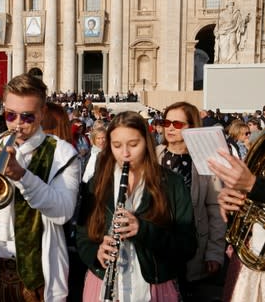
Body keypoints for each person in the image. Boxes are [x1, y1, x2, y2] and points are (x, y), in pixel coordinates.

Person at [0, 73, 81, 301]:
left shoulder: (62, 153)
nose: (17, 124)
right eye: (10, 115)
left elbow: (63, 212)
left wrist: (22, 175)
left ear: (42, 114)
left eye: (27, 117)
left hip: (36, 272)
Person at [76, 111, 197, 301]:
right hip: (102, 284)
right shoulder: (97, 184)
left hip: (154, 288)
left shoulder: (172, 184)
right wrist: (96, 252)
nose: (125, 153)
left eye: (133, 145)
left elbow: (188, 245)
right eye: (117, 146)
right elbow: (83, 237)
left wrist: (143, 230)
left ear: (147, 143)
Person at [156, 101, 226, 301]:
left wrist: (215, 252)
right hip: (158, 246)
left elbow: (216, 208)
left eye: (178, 124)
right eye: (166, 122)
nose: (170, 127)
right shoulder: (153, 155)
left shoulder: (205, 160)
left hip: (193, 249)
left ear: (191, 127)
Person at [207, 133, 265, 301]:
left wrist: (253, 185)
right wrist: (235, 198)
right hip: (251, 265)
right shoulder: (262, 143)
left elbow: (256, 187)